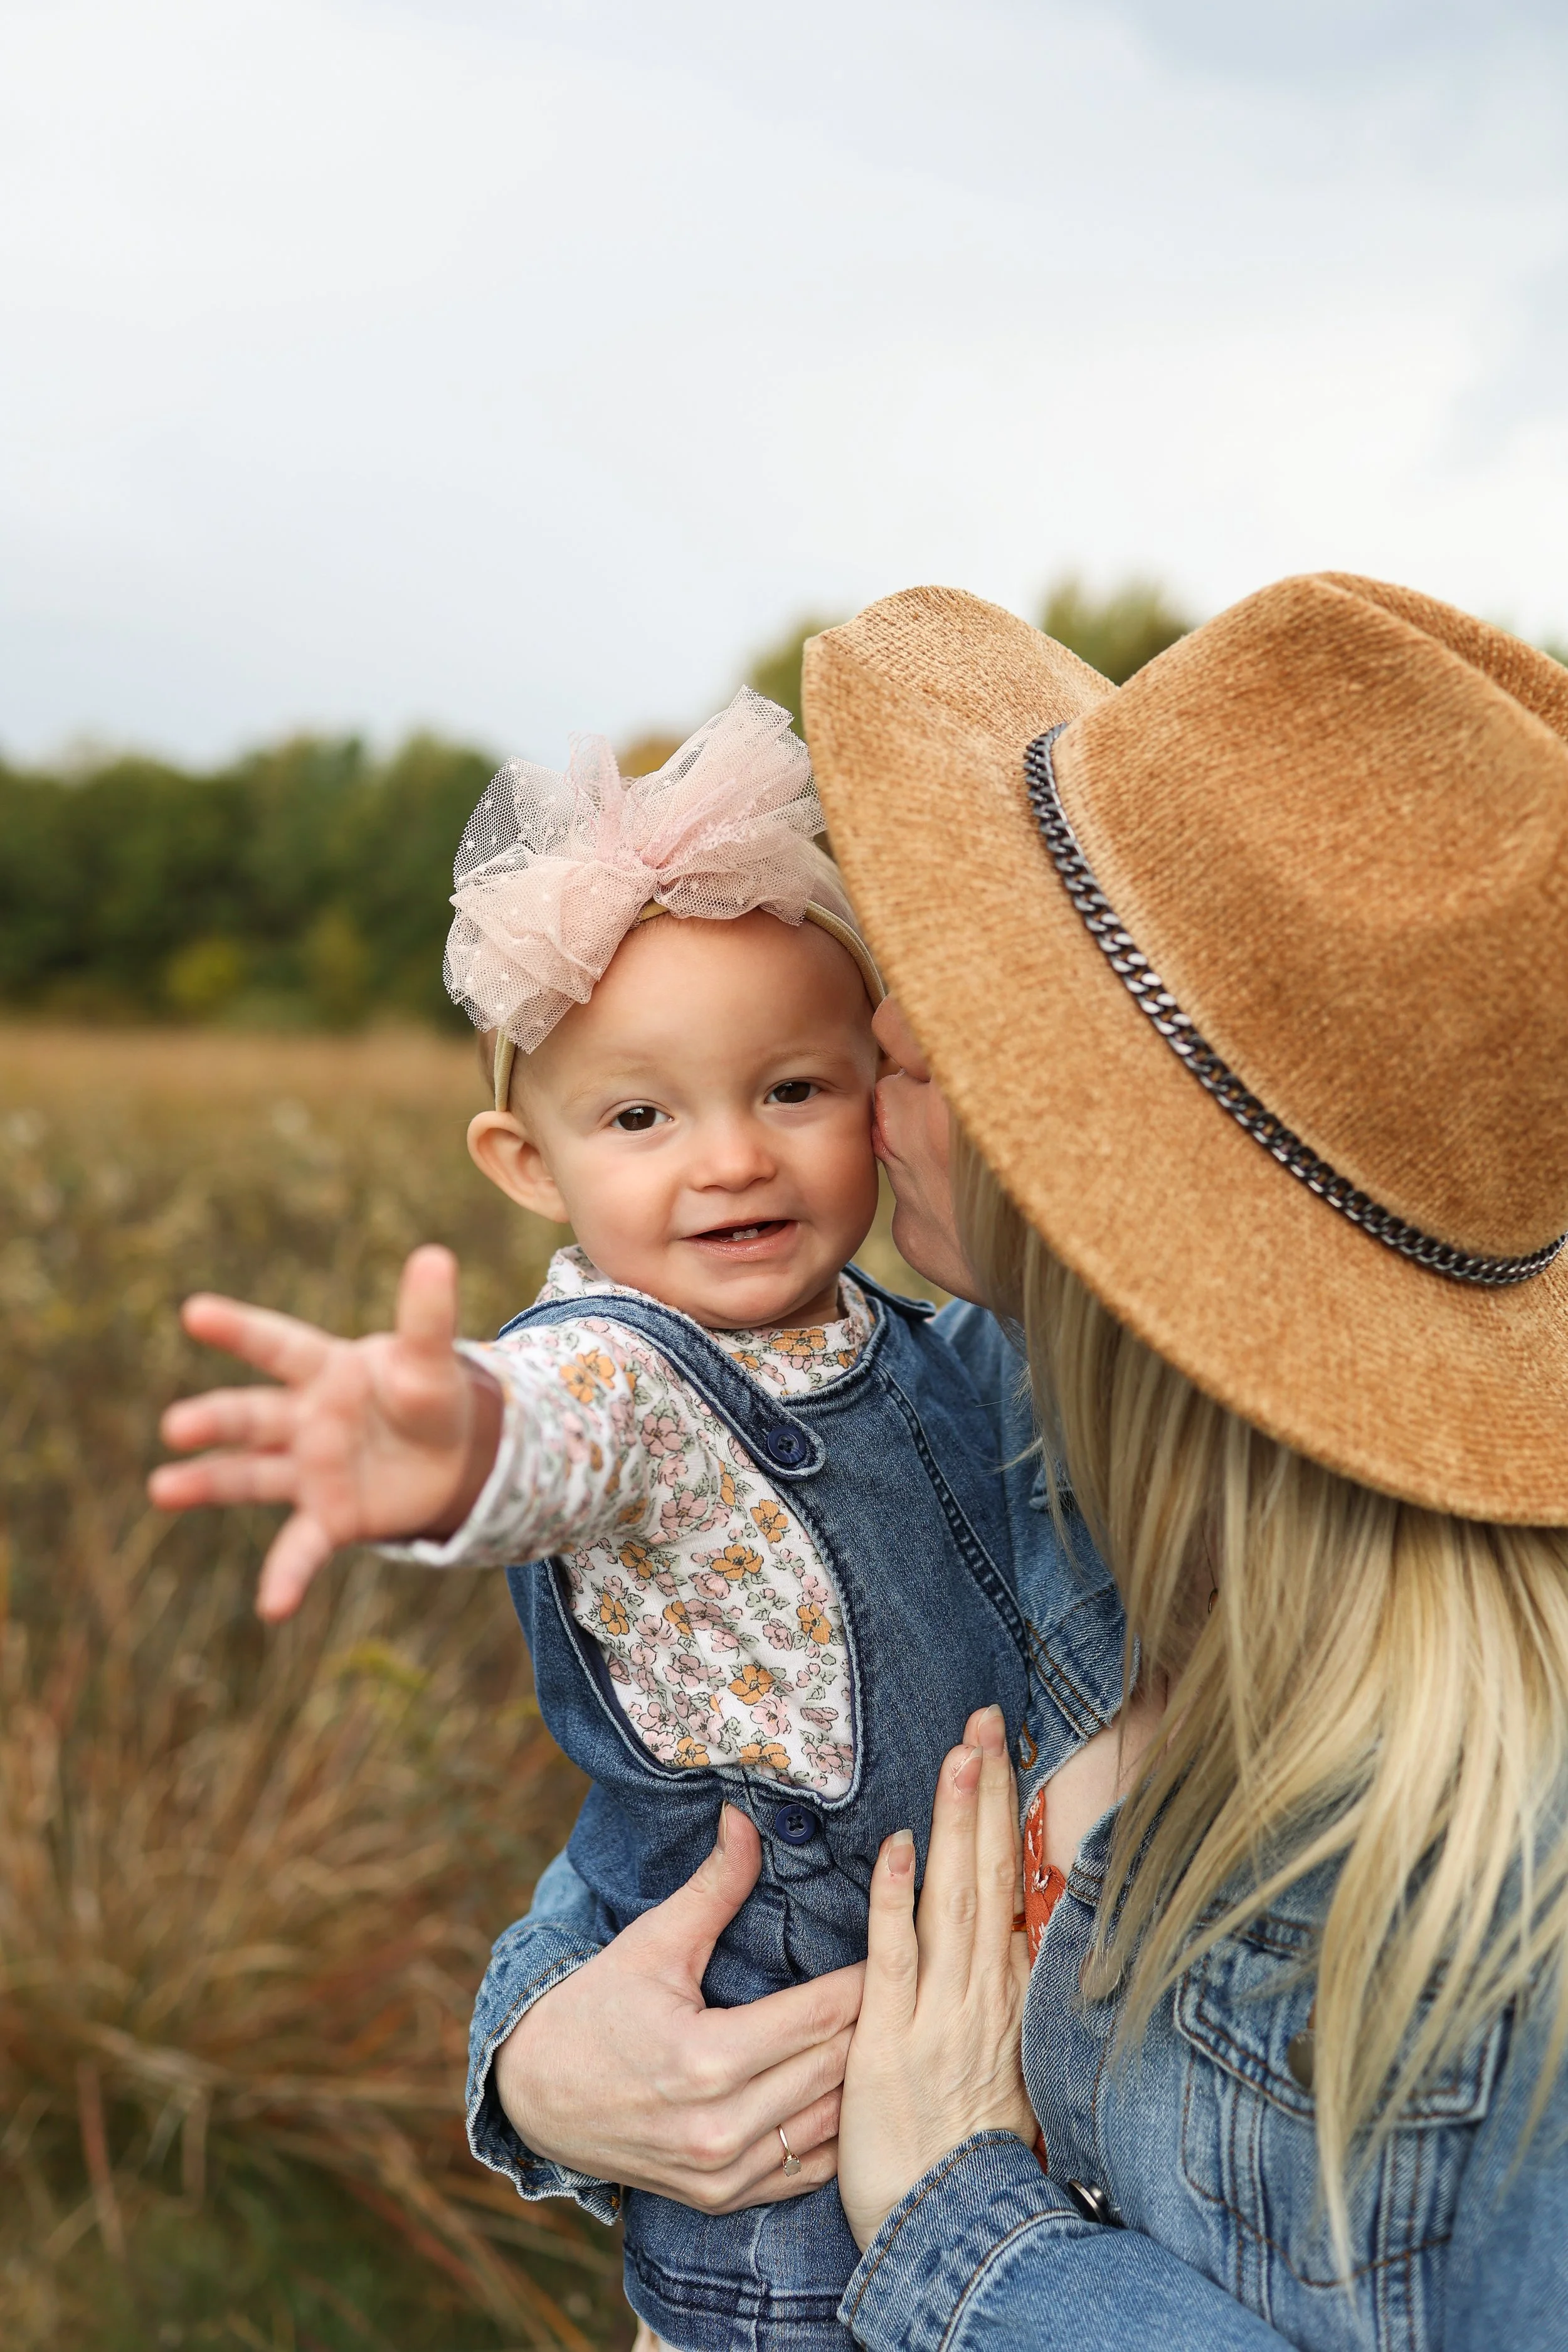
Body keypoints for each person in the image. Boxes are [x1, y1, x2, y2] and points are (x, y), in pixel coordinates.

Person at [481, 576, 1568, 2349]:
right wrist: (548, 2048)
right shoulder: (1000, 1410)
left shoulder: (1507, 1887)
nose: (884, 1026)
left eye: (989, 1010)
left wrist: (959, 2233)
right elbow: (741, 1760)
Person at [148, 687, 1038, 2352]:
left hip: (958, 2124)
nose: (727, 1159)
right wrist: (450, 1444)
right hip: (778, 2225)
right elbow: (561, 1433)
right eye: (640, 1115)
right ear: (525, 1160)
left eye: (789, 1087)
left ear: (875, 1081)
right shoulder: (635, 1377)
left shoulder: (901, 1338)